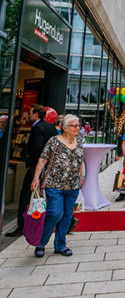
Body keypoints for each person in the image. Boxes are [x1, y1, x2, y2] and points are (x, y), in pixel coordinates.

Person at [30, 114, 84, 257]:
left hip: (73, 185)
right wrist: (36, 178)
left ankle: (60, 245)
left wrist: (81, 176)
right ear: (65, 128)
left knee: (67, 215)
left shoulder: (79, 141)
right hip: (54, 184)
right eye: (74, 126)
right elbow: (42, 160)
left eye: (78, 125)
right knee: (55, 213)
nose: (77, 128)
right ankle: (40, 242)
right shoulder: (54, 141)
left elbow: (80, 160)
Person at [6, 104, 57, 237]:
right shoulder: (50, 126)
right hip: (47, 166)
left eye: (30, 112)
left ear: (36, 114)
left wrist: (30, 161)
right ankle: (40, 221)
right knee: (43, 195)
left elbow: (38, 147)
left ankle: (22, 226)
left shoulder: (37, 128)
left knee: (26, 197)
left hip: (36, 166)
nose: (28, 114)